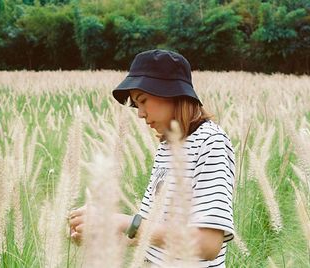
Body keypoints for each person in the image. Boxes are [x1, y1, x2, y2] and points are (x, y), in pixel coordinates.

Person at [69, 49, 235, 267]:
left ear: (172, 93)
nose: (140, 113)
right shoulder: (167, 147)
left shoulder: (211, 141)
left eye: (143, 100)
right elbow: (148, 231)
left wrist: (119, 220)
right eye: (137, 105)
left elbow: (208, 244)